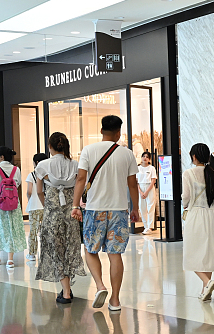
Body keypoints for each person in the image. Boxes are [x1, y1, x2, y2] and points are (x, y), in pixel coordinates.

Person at [73, 115, 140, 311]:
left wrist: (75, 205)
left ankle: (100, 286)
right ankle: (116, 300)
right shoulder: (127, 154)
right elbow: (132, 184)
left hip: (94, 209)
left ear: (101, 130)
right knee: (115, 254)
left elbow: (80, 179)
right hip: (119, 210)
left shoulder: (88, 150)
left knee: (90, 249)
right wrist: (135, 208)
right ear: (119, 132)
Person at [34, 133, 85, 304]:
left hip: (52, 214)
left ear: (50, 147)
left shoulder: (43, 165)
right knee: (70, 248)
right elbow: (81, 186)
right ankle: (67, 288)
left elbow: (39, 191)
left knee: (56, 250)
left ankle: (66, 291)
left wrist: (46, 205)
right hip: (71, 213)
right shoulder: (75, 165)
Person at [182, 143, 214, 301]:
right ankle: (205, 290)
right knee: (209, 253)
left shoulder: (188, 174)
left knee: (191, 254)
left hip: (196, 215)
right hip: (213, 216)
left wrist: (185, 204)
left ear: (194, 157)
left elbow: (185, 197)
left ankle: (207, 282)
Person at [0, 146, 26, 269]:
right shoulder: (16, 170)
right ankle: (10, 260)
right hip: (13, 203)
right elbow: (17, 184)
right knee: (11, 228)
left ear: (1, 157)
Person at [25, 153, 49, 261]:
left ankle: (32, 254)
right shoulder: (48, 175)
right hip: (45, 206)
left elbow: (29, 191)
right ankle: (46, 252)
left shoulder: (32, 175)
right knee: (45, 231)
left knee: (33, 231)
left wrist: (30, 199)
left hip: (34, 206)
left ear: (37, 163)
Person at [137, 152, 158, 234]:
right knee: (142, 208)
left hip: (149, 187)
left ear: (149, 159)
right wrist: (141, 192)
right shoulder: (138, 168)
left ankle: (150, 227)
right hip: (141, 188)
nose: (145, 158)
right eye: (143, 156)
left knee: (150, 207)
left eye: (147, 157)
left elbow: (153, 180)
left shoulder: (152, 168)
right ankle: (145, 226)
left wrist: (146, 192)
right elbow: (136, 182)